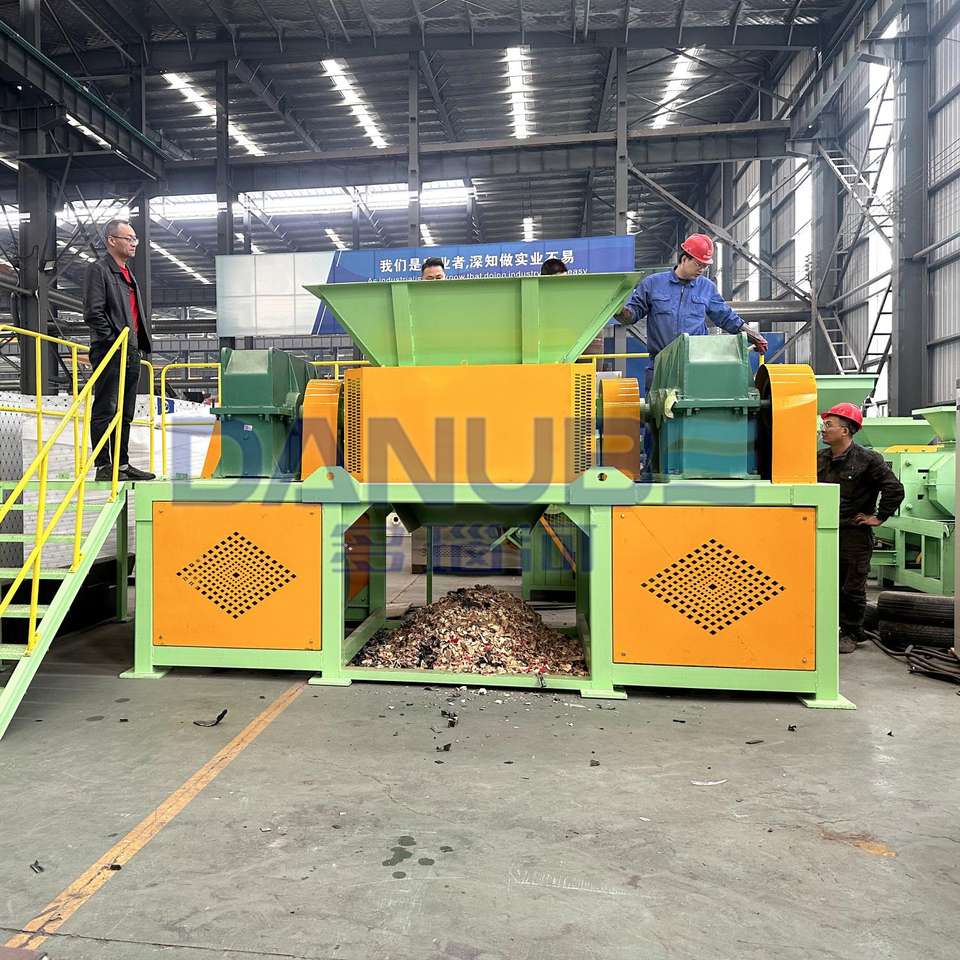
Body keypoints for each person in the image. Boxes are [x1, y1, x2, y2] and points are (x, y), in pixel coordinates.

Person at [615, 233, 768, 390]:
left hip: (696, 367)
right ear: (684, 259)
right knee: (657, 405)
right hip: (661, 368)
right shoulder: (653, 284)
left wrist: (753, 335)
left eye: (705, 266)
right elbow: (631, 315)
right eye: (698, 264)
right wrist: (617, 309)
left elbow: (727, 317)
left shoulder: (707, 288)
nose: (702, 269)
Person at [818, 402, 904, 654]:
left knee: (852, 587)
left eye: (828, 425)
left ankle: (851, 632)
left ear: (845, 431)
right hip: (822, 531)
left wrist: (878, 517)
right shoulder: (819, 458)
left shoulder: (868, 460)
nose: (823, 429)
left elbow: (894, 489)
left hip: (853, 534)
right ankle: (826, 628)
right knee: (824, 583)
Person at [82, 219, 154, 482]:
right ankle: (104, 466)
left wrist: (134, 346)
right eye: (129, 238)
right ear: (112, 241)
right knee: (106, 407)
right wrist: (113, 341)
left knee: (125, 411)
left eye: (135, 239)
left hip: (131, 351)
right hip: (110, 349)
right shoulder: (99, 270)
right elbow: (93, 312)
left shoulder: (127, 275)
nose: (134, 243)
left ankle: (121, 464)